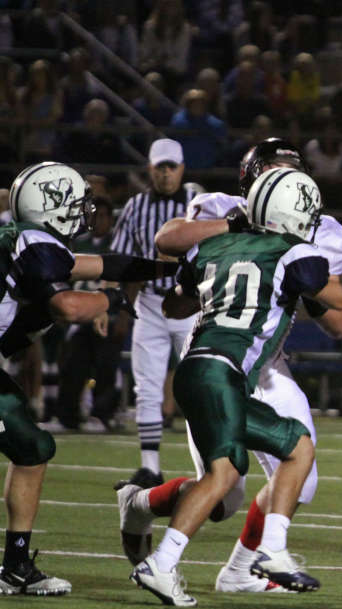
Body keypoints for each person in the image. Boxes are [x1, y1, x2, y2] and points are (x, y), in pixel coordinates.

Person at [120, 138, 342, 594]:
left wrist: (296, 270)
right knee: (225, 495)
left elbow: (338, 321)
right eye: (275, 173)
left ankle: (243, 569)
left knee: (300, 476)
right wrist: (239, 231)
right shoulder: (223, 208)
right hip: (217, 353)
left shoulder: (320, 231)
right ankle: (142, 504)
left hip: (268, 362)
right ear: (252, 179)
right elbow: (167, 240)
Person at [0, 162, 172, 596]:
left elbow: (100, 262)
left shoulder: (27, 240)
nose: (84, 212)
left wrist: (161, 270)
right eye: (76, 203)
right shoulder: (35, 243)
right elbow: (67, 308)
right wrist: (108, 300)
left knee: (33, 447)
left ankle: (16, 566)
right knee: (32, 446)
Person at [111, 139, 198, 484]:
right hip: (149, 303)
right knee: (146, 387)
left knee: (199, 386)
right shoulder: (136, 206)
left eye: (171, 167)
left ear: (182, 168)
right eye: (160, 167)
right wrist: (117, 304)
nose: (165, 173)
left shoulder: (199, 204)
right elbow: (121, 261)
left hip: (192, 305)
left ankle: (208, 468)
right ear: (150, 168)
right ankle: (150, 466)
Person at [49, 196, 125, 432]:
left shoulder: (117, 243)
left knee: (105, 365)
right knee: (73, 365)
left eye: (103, 215)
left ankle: (102, 416)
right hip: (81, 315)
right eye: (95, 215)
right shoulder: (79, 243)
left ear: (111, 219)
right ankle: (67, 417)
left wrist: (123, 316)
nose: (98, 220)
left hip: (108, 316)